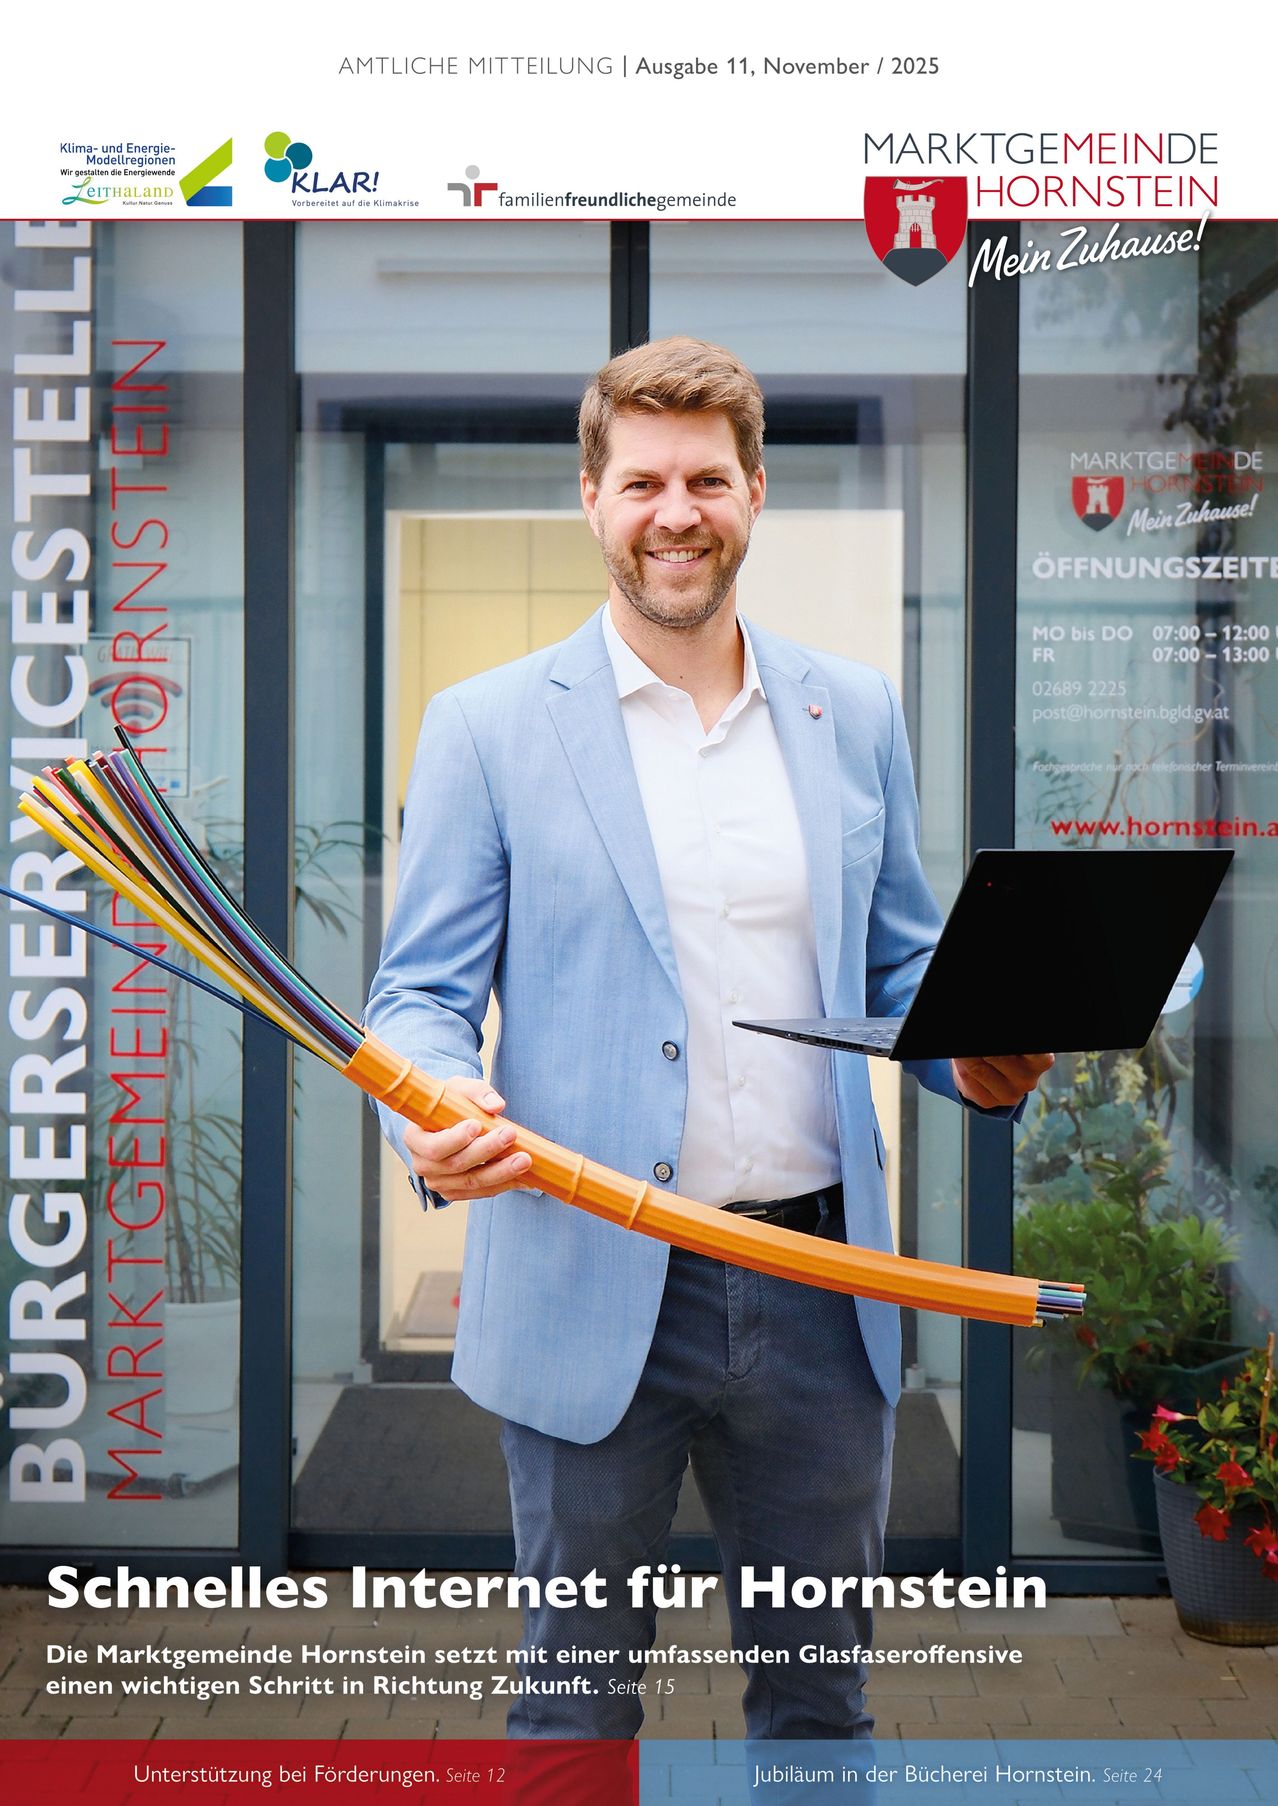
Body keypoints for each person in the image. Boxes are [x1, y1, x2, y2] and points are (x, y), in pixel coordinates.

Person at [366, 336, 1051, 1740]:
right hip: (588, 1268)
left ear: (753, 493)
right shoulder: (486, 727)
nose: (673, 513)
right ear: (591, 498)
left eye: (705, 481)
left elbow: (899, 965)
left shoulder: (851, 709)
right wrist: (432, 1098)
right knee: (572, 1709)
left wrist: (973, 1052)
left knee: (819, 1705)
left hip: (818, 1286)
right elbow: (418, 993)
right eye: (642, 483)